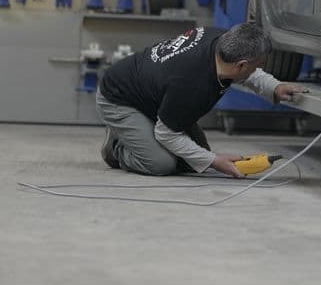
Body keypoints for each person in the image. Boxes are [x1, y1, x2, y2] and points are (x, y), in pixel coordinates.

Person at [96, 22, 307, 179]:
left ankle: (141, 132)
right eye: (257, 64)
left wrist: (275, 87)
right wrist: (214, 161)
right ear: (241, 65)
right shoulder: (191, 84)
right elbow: (166, 134)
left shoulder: (222, 41)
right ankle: (116, 147)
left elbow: (248, 73)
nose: (258, 68)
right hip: (119, 98)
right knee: (161, 164)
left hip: (156, 95)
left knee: (189, 162)